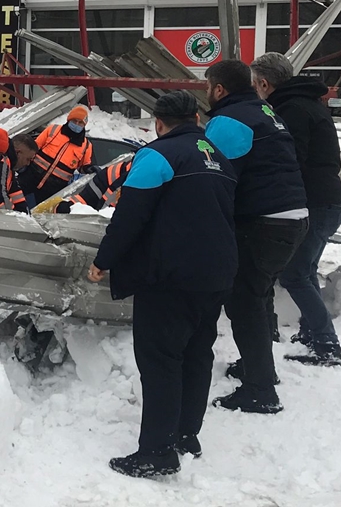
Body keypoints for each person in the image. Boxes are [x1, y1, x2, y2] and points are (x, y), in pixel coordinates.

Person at [88, 91, 237, 478]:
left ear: (158, 122)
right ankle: (186, 434)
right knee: (197, 353)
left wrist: (103, 261)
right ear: (194, 118)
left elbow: (130, 216)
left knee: (160, 360)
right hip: (217, 270)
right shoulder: (217, 156)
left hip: (172, 275)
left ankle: (156, 451)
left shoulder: (157, 155)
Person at [204, 59, 308, 415]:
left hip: (264, 222)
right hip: (293, 216)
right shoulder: (264, 110)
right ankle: (258, 368)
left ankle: (260, 390)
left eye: (208, 88)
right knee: (258, 295)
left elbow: (214, 176)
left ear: (219, 90)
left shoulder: (227, 120)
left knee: (244, 301)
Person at [251, 52, 341, 366]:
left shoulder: (290, 111)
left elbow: (290, 159)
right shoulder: (309, 104)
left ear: (264, 83)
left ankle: (326, 344)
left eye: (255, 84)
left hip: (316, 204)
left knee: (294, 275)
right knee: (304, 271)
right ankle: (310, 333)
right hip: (329, 200)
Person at [22, 105, 95, 203]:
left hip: (53, 190)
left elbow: (83, 167)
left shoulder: (86, 145)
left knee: (42, 216)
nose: (77, 124)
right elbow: (34, 147)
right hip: (30, 177)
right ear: (68, 120)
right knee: (12, 202)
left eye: (80, 123)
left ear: (84, 125)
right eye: (74, 121)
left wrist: (89, 168)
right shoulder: (53, 130)